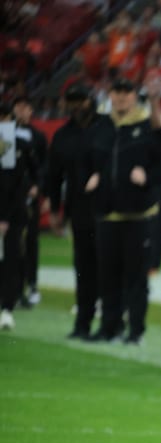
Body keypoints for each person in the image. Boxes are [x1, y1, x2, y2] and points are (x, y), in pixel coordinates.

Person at [85, 77, 161, 344]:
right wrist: (93, 176)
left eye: (126, 93)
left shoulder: (146, 125)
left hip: (139, 215)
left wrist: (149, 177)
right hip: (107, 213)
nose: (121, 98)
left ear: (133, 97)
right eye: (116, 92)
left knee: (136, 277)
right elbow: (89, 158)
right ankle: (109, 327)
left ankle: (135, 331)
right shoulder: (102, 127)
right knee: (107, 276)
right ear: (111, 95)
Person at [44, 83, 103, 340]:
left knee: (109, 268)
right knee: (84, 268)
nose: (77, 106)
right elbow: (53, 176)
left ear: (92, 100)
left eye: (82, 100)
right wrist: (55, 210)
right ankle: (83, 323)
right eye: (73, 101)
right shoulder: (62, 136)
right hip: (79, 210)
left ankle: (111, 324)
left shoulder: (107, 127)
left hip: (108, 209)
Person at [0, 102, 39, 330]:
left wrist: (34, 186)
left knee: (12, 258)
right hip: (8, 212)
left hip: (13, 213)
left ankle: (7, 307)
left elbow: (19, 182)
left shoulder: (21, 144)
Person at [12, 96, 46, 307]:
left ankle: (31, 283)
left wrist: (38, 186)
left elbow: (44, 165)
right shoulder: (4, 134)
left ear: (31, 110)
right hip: (9, 197)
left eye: (26, 107)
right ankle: (12, 286)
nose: (22, 111)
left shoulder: (38, 136)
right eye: (19, 106)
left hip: (29, 196)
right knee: (11, 242)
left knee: (31, 241)